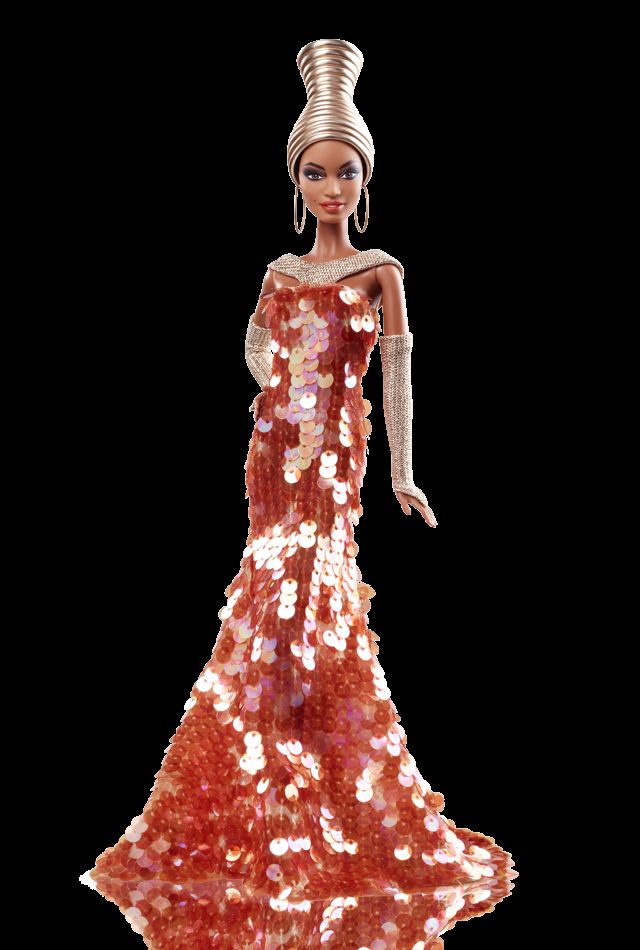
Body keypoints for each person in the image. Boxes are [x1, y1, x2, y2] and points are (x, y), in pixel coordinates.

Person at [80, 38, 517, 948]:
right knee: (271, 606)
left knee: (314, 601)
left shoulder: (381, 270)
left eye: (345, 172)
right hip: (275, 455)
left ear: (366, 178)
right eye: (316, 172)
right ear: (295, 178)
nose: (331, 188)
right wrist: (282, 390)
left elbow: (397, 373)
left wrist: (400, 470)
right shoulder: (280, 272)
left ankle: (326, 789)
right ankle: (269, 782)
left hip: (334, 463)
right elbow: (254, 341)